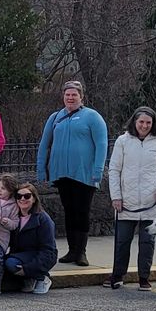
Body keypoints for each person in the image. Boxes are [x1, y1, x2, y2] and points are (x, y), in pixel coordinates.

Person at [36, 80, 108, 267]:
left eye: (74, 94)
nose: (70, 98)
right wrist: (41, 168)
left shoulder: (92, 117)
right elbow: (45, 144)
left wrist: (98, 170)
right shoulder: (55, 117)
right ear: (63, 97)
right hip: (61, 173)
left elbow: (102, 145)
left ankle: (81, 252)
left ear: (81, 96)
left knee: (82, 212)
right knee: (69, 212)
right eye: (67, 94)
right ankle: (71, 250)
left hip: (84, 173)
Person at [106, 107, 156, 291]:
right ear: (134, 122)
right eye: (141, 122)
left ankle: (144, 277)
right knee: (122, 241)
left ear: (153, 124)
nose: (144, 126)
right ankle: (118, 275)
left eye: (148, 123)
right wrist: (116, 196)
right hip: (126, 203)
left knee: (147, 242)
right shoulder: (123, 141)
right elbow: (114, 170)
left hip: (152, 203)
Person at [5, 183, 57, 294]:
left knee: (11, 263)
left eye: (27, 196)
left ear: (34, 199)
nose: (22, 199)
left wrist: (28, 269)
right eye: (19, 196)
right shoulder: (13, 217)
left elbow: (48, 251)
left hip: (38, 254)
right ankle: (28, 278)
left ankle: (42, 277)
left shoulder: (44, 220)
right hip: (20, 255)